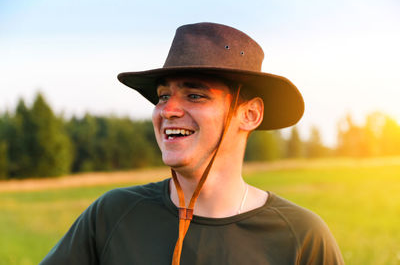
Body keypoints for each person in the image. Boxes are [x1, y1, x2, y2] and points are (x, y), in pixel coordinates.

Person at [40, 22, 344, 265]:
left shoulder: (301, 238)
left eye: (195, 95)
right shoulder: (113, 215)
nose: (167, 110)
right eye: (162, 96)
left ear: (250, 114)